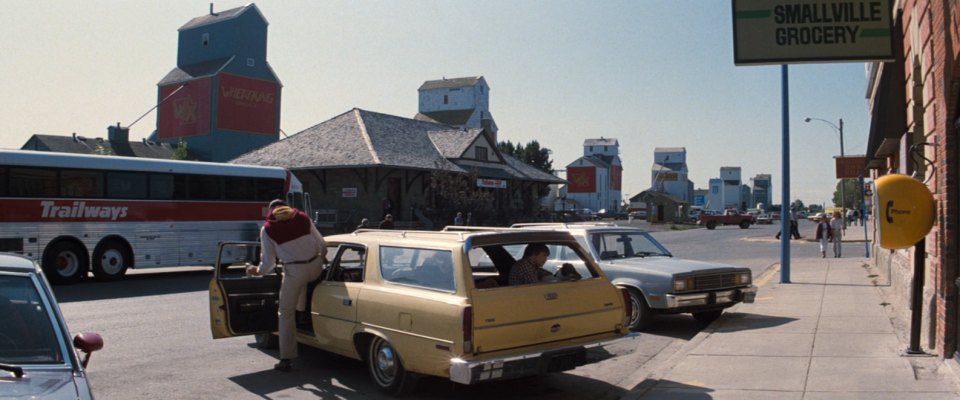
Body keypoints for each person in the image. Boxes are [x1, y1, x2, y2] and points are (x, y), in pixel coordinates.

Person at [245, 199, 327, 372]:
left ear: (271, 211)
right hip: (316, 267)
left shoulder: (268, 229)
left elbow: (269, 264)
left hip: (295, 271)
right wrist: (321, 258)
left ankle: (286, 358)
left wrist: (256, 271)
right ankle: (302, 312)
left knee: (284, 313)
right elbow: (322, 244)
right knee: (302, 283)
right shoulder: (303, 218)